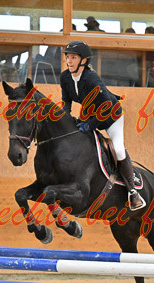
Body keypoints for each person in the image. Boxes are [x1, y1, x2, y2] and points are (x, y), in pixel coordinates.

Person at [60, 41, 146, 211]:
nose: (69, 61)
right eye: (68, 57)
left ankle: (133, 192)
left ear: (84, 60)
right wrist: (65, 118)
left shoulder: (91, 79)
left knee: (118, 149)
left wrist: (90, 125)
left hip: (111, 116)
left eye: (73, 57)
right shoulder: (65, 77)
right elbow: (66, 101)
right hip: (91, 114)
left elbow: (106, 108)